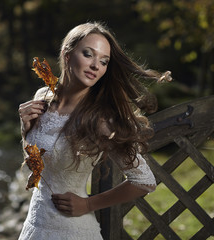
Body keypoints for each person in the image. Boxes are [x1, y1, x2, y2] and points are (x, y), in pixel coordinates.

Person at [17, 21, 171, 240]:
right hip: (36, 224)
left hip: (72, 230)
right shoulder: (42, 96)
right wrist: (26, 130)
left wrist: (88, 203)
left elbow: (144, 181)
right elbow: (38, 163)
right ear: (67, 54)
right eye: (88, 54)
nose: (95, 65)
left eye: (104, 61)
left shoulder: (100, 119)